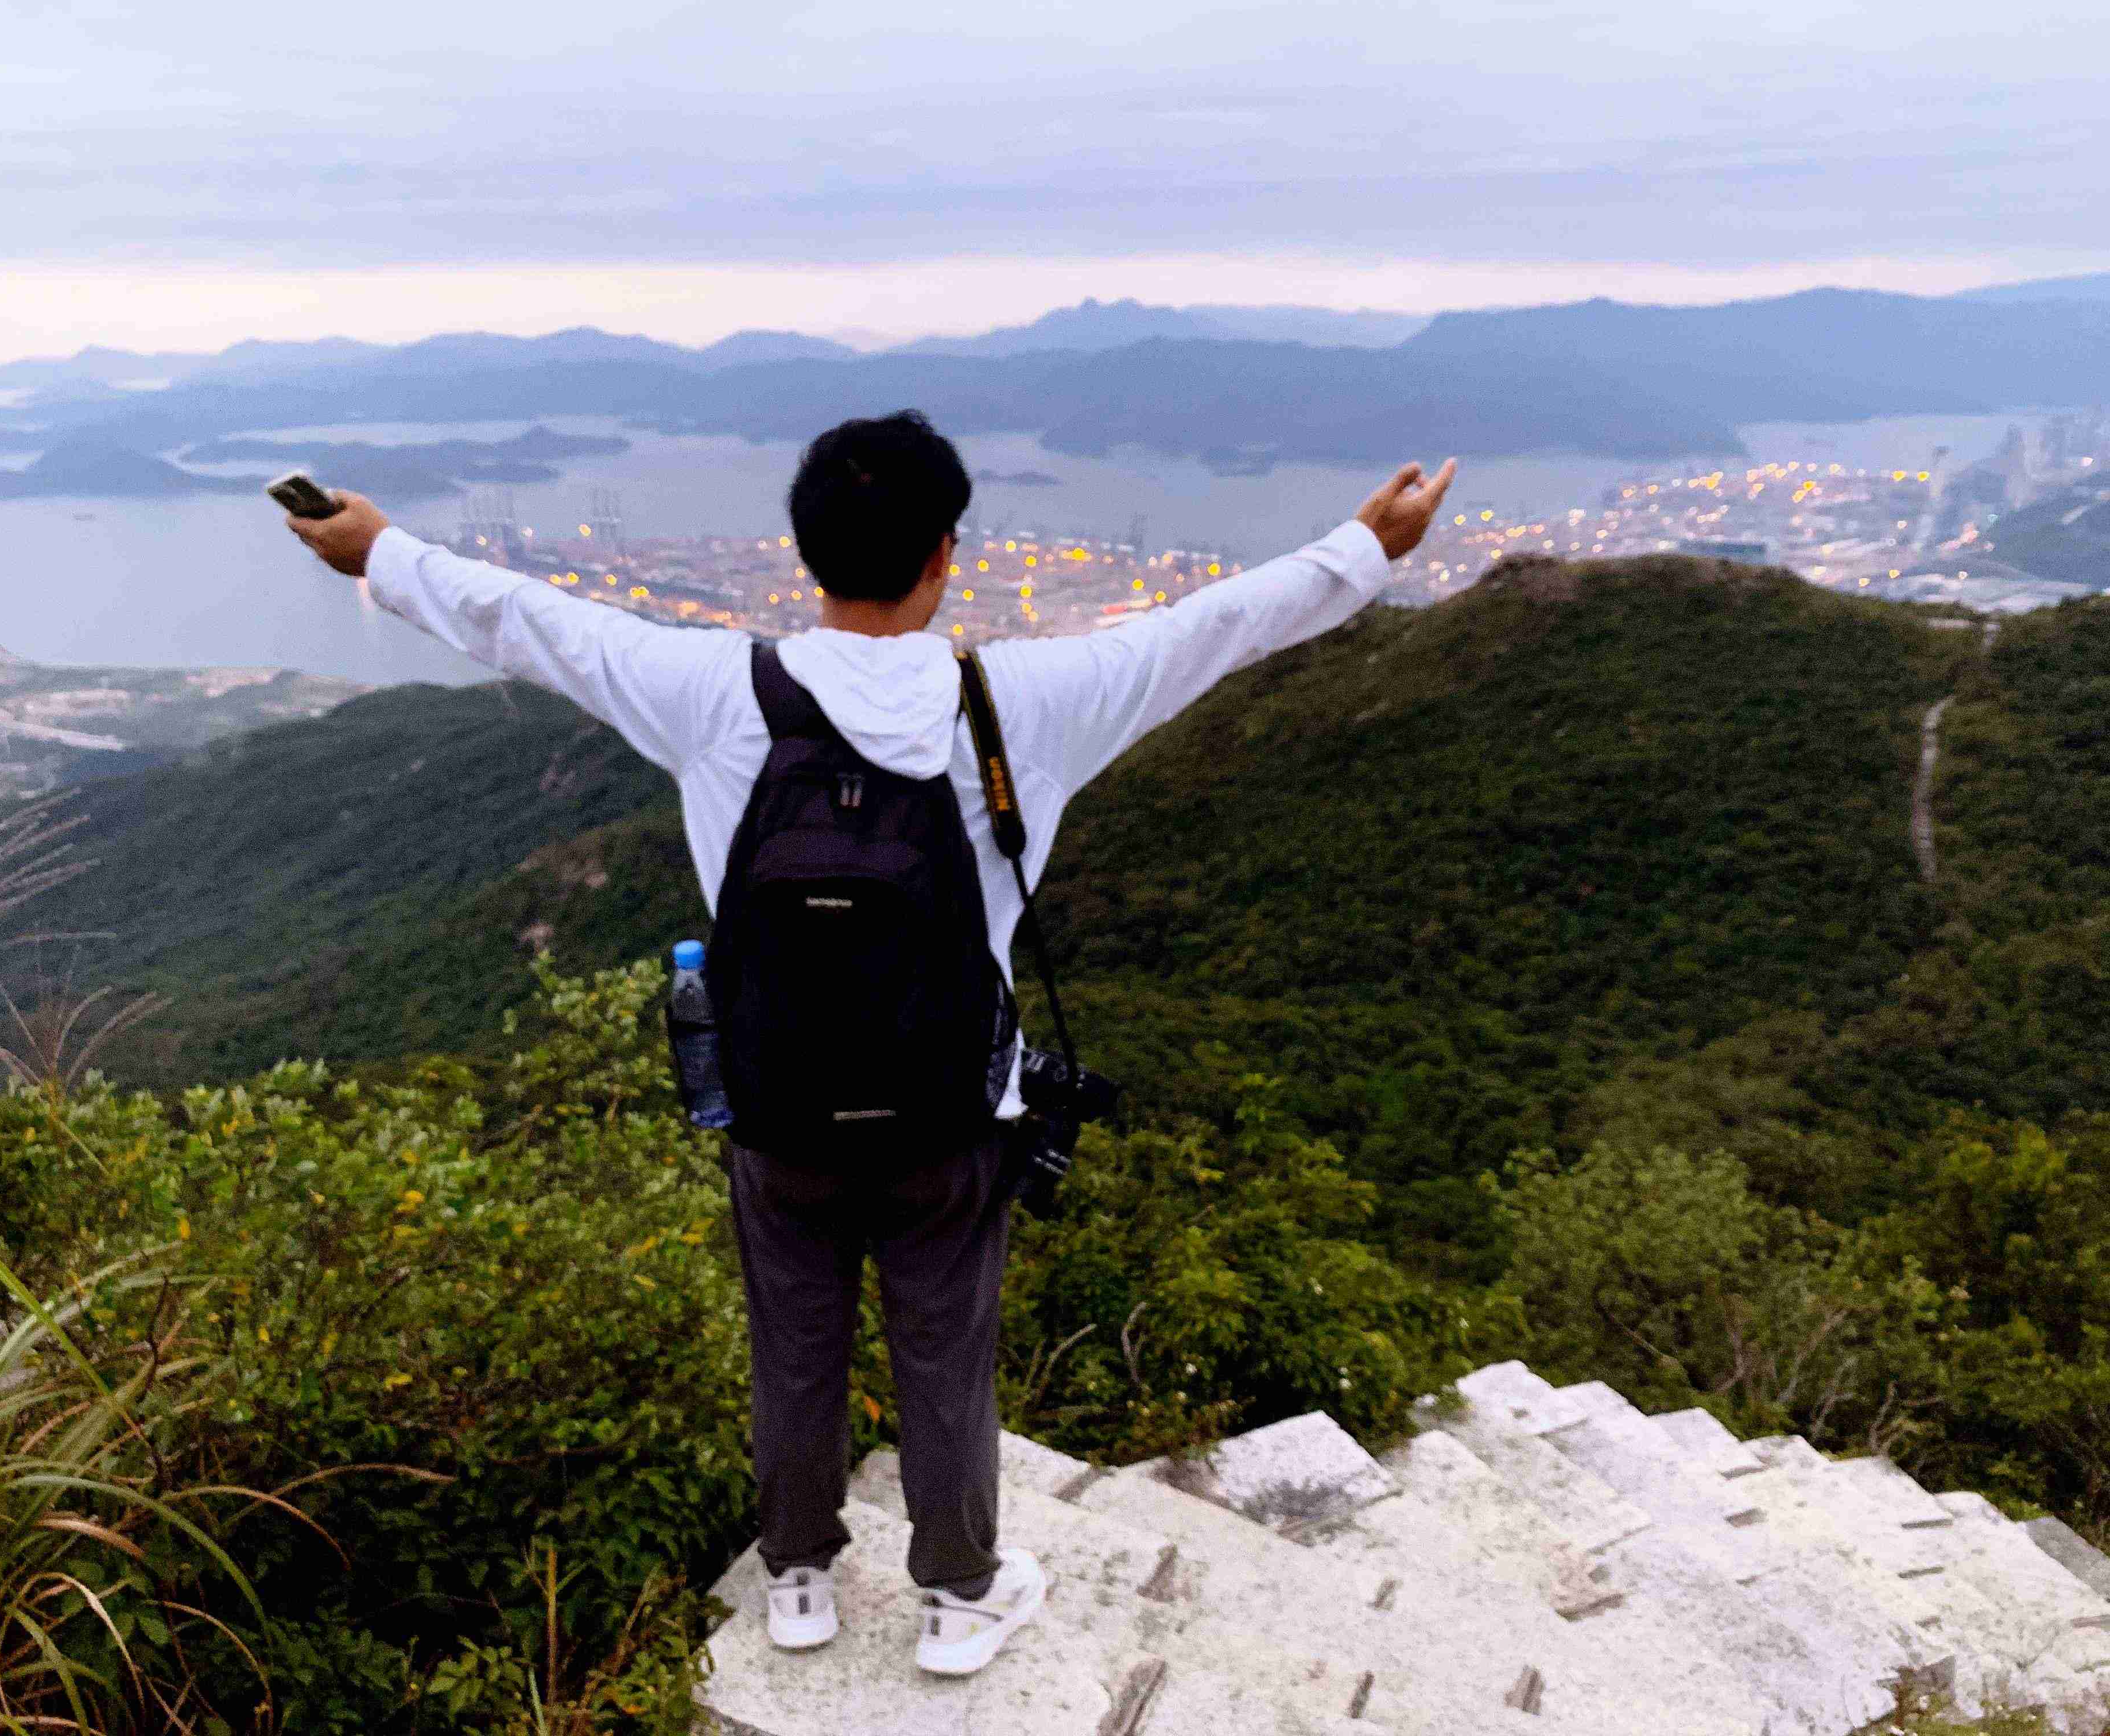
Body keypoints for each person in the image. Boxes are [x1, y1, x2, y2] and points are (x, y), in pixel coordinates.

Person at [287, 412, 1454, 1677]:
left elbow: (521, 617)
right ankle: (959, 1599)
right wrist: (1368, 544)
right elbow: (1222, 625)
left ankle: (797, 1581)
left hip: (778, 1115)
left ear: (805, 556)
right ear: (947, 551)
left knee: (792, 1349)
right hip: (949, 1121)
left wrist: (374, 550)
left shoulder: (710, 690)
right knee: (944, 1356)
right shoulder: (1027, 699)